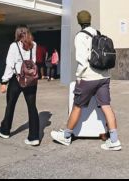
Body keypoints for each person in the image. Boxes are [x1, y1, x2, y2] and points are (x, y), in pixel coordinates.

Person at [50, 10, 121, 151]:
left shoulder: (80, 36)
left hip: (88, 77)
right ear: (90, 20)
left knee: (77, 106)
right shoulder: (98, 34)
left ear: (79, 21)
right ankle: (114, 140)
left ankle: (66, 136)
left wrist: (79, 78)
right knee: (106, 106)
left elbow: (82, 60)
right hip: (104, 77)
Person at [0, 26, 41, 146]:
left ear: (17, 34)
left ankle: (5, 130)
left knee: (10, 104)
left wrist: (4, 81)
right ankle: (34, 137)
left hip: (17, 79)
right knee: (32, 107)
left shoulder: (14, 46)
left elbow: (10, 64)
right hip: (31, 80)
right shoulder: (34, 44)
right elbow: (34, 61)